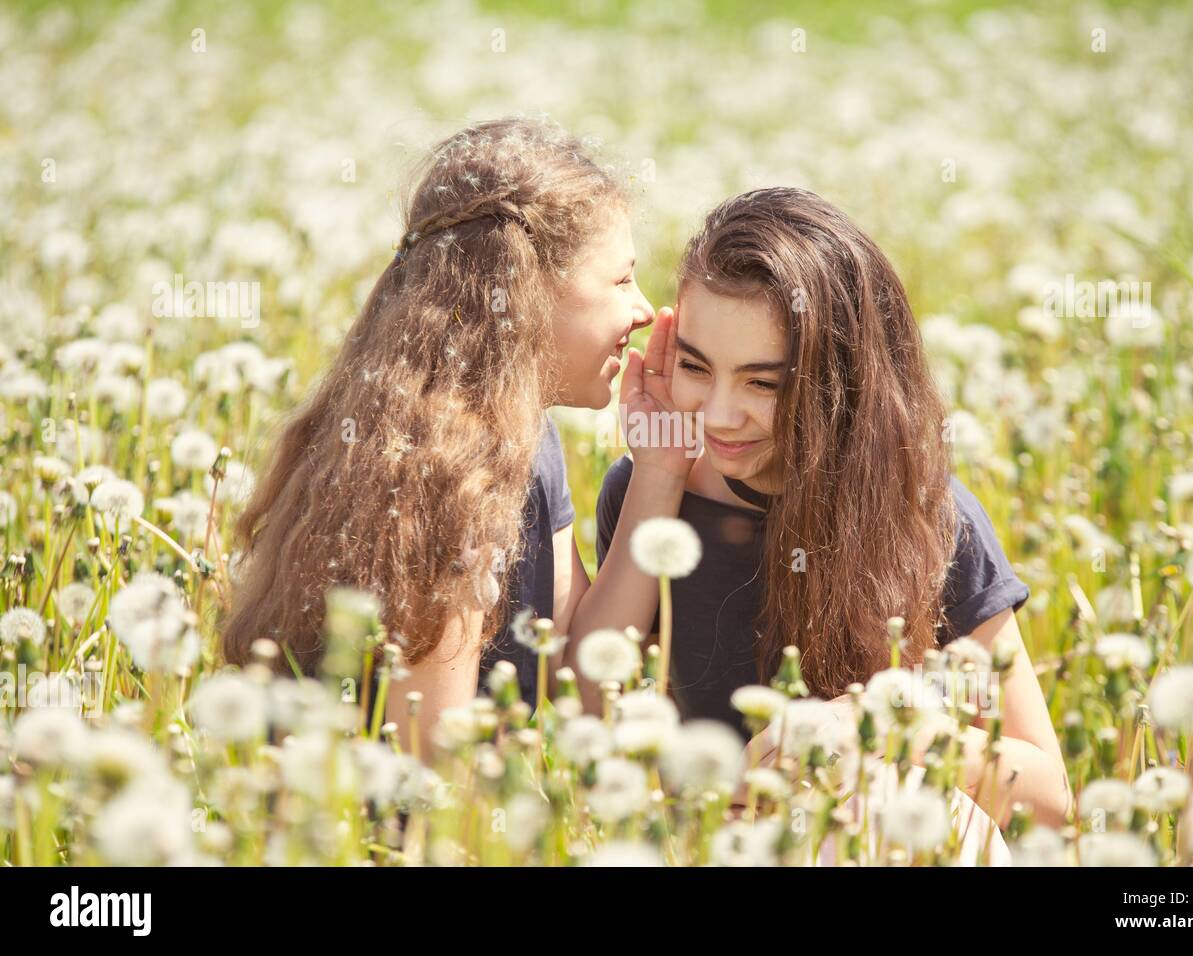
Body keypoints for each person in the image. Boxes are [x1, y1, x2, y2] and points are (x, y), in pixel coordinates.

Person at [568, 187, 1072, 829]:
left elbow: (1048, 795)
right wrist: (658, 476)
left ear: (841, 379)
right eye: (696, 367)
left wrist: (879, 730)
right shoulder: (652, 495)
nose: (720, 414)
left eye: (762, 383)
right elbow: (584, 702)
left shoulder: (928, 515)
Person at [221, 117, 654, 754]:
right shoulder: (449, 467)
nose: (644, 308)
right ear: (527, 291)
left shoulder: (529, 438)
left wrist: (660, 474)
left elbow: (579, 680)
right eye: (620, 280)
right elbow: (434, 761)